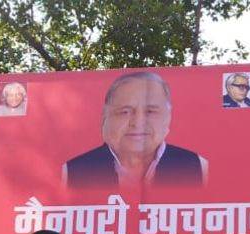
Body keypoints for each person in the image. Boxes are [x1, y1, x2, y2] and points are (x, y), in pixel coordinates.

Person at [63, 72, 208, 190]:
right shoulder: (71, 172)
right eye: (125, 112)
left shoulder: (198, 166)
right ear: (105, 117)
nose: (137, 122)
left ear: (168, 117)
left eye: (150, 112)